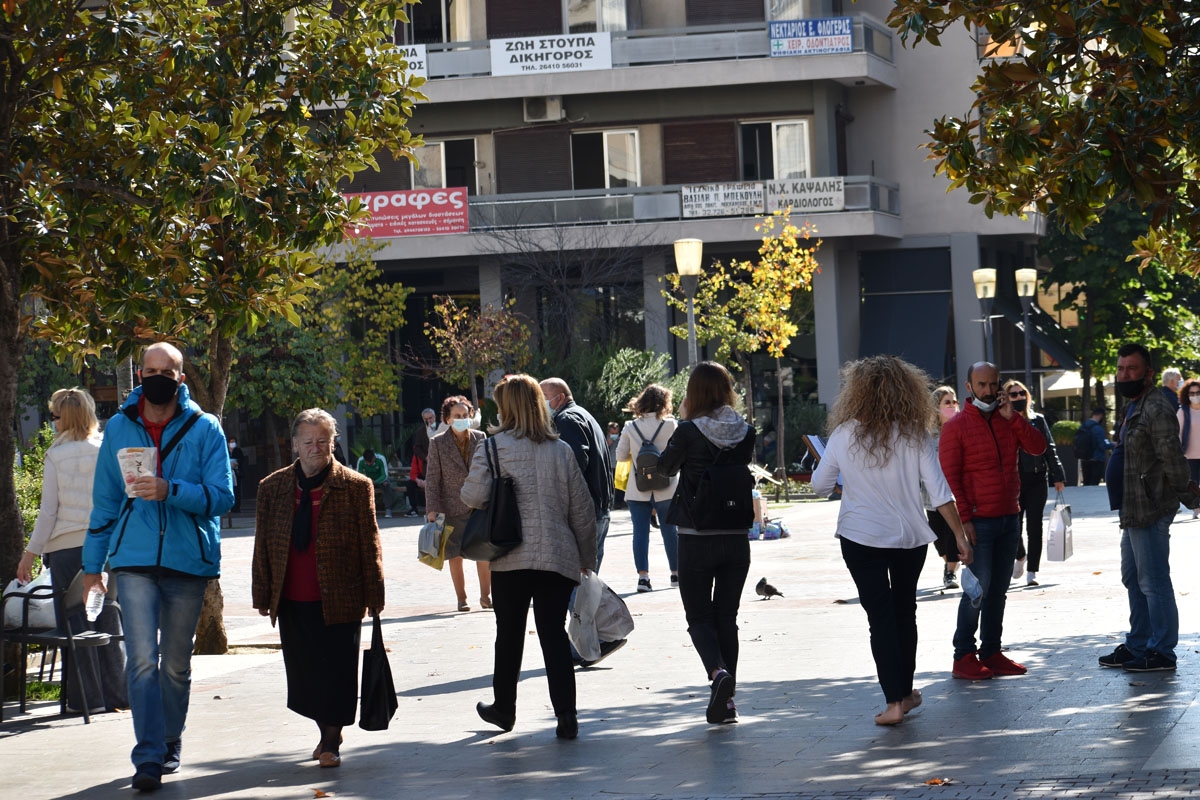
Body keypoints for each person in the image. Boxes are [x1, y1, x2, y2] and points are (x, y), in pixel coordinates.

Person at [82, 342, 233, 792]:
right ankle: (147, 757)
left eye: (166, 370)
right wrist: (94, 566)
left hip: (188, 562)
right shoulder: (119, 429)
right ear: (139, 375)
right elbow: (105, 501)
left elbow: (221, 497)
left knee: (175, 665)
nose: (157, 376)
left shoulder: (206, 428)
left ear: (180, 378)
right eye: (149, 369)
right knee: (143, 660)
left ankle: (170, 739)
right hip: (133, 561)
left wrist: (171, 490)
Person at [813, 356, 972, 726]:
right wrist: (960, 537)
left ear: (855, 393)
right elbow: (939, 492)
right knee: (905, 612)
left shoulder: (843, 435)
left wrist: (848, 480)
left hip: (860, 535)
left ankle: (893, 703)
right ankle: (905, 692)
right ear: (907, 390)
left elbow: (820, 485)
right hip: (910, 537)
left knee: (880, 618)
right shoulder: (915, 434)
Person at [462, 375, 597, 740]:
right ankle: (566, 716)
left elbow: (472, 497)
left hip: (510, 557)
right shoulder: (561, 450)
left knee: (509, 635)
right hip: (557, 557)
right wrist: (587, 557)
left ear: (506, 408)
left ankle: (504, 709)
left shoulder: (491, 448)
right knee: (553, 635)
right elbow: (582, 511)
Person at [252, 408, 384, 768]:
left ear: (333, 443)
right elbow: (263, 543)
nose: (315, 448)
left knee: (339, 671)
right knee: (305, 674)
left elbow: (369, 542)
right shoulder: (272, 488)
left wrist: (375, 594)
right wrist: (262, 593)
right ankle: (325, 726)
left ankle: (330, 740)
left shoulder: (356, 486)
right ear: (295, 444)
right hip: (292, 596)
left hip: (341, 595)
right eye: (308, 441)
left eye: (323, 441)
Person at [18, 388, 127, 716]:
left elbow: (48, 512)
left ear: (63, 419)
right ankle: (119, 695)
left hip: (65, 551)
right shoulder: (105, 448)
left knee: (75, 623)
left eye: (53, 416)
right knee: (107, 615)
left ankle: (86, 698)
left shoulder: (55, 455)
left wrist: (30, 554)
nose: (51, 422)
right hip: (104, 546)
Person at [658, 361, 756, 725]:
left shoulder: (687, 430)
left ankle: (718, 674)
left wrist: (682, 423)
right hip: (735, 536)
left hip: (696, 536)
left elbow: (666, 468)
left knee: (698, 616)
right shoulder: (745, 431)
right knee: (726, 617)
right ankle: (728, 704)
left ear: (694, 392)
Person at [939, 361, 1046, 681]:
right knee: (977, 590)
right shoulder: (956, 426)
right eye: (981, 385)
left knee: (998, 590)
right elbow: (950, 479)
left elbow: (1037, 447)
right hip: (979, 522)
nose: (988, 390)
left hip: (1009, 517)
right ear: (969, 387)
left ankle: (992, 651)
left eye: (993, 384)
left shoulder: (1007, 420)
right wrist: (965, 522)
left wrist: (1013, 418)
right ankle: (963, 655)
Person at [1099, 344, 1200, 673]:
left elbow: (1172, 459)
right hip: (1132, 508)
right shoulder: (1134, 405)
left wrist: (1190, 497)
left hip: (1151, 507)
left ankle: (1161, 651)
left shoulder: (1156, 407)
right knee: (1133, 577)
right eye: (1121, 368)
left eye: (1132, 369)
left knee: (1153, 580)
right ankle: (1139, 643)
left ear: (1149, 373)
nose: (1124, 374)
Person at [425, 395, 490, 612]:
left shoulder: (481, 438)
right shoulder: (437, 443)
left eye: (465, 415)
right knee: (455, 555)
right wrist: (432, 509)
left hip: (478, 505)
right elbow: (432, 479)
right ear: (448, 418)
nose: (462, 418)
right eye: (457, 416)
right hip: (451, 506)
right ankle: (462, 598)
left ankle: (485, 597)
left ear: (470, 415)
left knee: (484, 553)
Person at [540, 378, 614, 568]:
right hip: (598, 508)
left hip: (585, 512)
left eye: (544, 397)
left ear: (560, 397)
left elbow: (573, 464)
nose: (540, 403)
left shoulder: (567, 419)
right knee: (586, 583)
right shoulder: (582, 414)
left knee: (576, 584)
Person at [615, 383, 680, 593]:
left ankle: (643, 578)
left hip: (638, 487)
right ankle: (675, 574)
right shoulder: (671, 425)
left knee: (640, 533)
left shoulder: (630, 426)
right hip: (667, 486)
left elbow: (620, 456)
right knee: (670, 531)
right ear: (664, 403)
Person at [1003, 379, 1066, 586]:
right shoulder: (1003, 421)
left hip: (1038, 478)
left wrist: (1058, 475)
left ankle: (1032, 571)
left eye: (1022, 393)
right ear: (1006, 398)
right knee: (1014, 526)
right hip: (1014, 481)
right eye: (1013, 395)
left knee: (1034, 526)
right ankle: (1020, 556)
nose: (1019, 397)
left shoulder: (1037, 420)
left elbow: (1049, 447)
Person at [927, 386, 962, 589]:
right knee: (938, 537)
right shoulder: (926, 433)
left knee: (952, 532)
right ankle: (950, 563)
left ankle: (950, 572)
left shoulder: (960, 429)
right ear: (936, 407)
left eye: (954, 402)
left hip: (954, 491)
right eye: (946, 402)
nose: (952, 406)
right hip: (930, 493)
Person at [1177, 379, 1200, 519]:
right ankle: (1197, 508)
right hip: (1190, 454)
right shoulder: (1183, 411)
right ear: (1187, 395)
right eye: (1192, 393)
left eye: (1198, 392)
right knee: (1193, 483)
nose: (1195, 395)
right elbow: (1177, 432)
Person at [355, 447, 392, 519]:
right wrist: (367, 480)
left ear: (374, 458)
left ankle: (388, 509)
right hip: (368, 480)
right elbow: (358, 475)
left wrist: (375, 482)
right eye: (367, 462)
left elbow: (384, 475)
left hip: (380, 479)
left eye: (370, 462)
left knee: (386, 484)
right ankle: (364, 510)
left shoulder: (381, 459)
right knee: (360, 487)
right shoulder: (361, 460)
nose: (368, 464)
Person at [1079, 408, 1113, 486]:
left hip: (1085, 458)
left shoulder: (1083, 426)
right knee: (1094, 483)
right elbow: (1103, 445)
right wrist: (1112, 445)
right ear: (1101, 416)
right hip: (1097, 458)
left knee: (1086, 482)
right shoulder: (1098, 429)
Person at [227, 437, 245, 514]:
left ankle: (237, 507)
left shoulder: (238, 451)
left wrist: (236, 464)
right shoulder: (225, 451)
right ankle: (230, 508)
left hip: (236, 472)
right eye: (231, 442)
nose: (232, 443)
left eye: (234, 442)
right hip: (228, 472)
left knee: (237, 490)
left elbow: (241, 460)